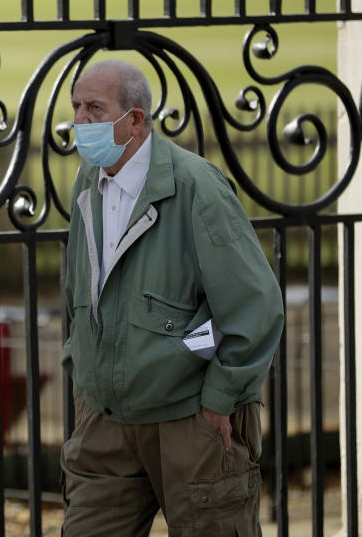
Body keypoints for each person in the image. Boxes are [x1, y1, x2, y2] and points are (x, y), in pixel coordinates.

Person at [60, 60, 284, 536]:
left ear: (135, 120)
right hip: (104, 422)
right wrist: (81, 373)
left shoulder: (196, 187)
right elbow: (78, 290)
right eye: (76, 107)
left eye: (95, 108)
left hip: (189, 421)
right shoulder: (88, 183)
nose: (80, 120)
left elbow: (254, 306)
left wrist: (220, 401)